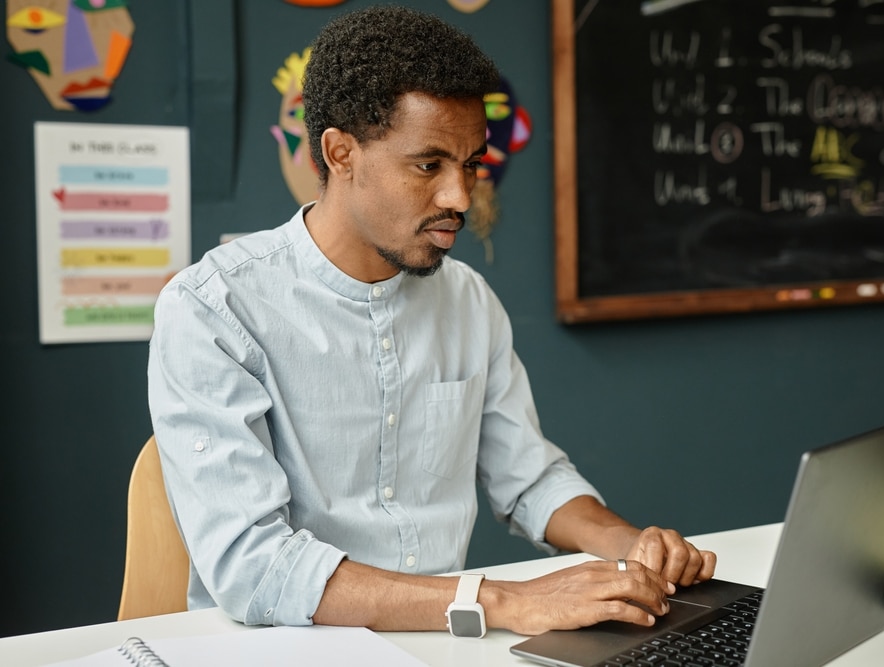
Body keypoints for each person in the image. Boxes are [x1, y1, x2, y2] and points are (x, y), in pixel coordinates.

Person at [147, 5, 716, 636]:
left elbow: (527, 480)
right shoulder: (213, 309)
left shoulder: (469, 300)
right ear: (341, 154)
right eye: (429, 165)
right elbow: (254, 569)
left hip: (440, 647)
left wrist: (626, 544)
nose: (460, 197)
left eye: (471, 163)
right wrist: (503, 600)